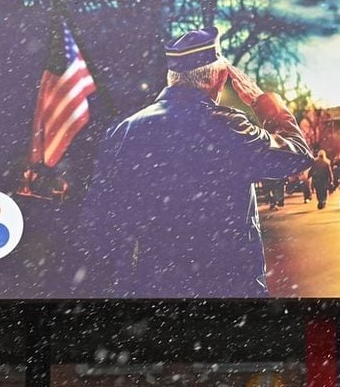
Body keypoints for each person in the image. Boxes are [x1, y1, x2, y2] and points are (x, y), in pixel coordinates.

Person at [77, 26, 313, 297]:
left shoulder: (123, 131)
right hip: (226, 289)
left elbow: (97, 222)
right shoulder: (229, 128)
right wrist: (265, 103)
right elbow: (298, 155)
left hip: (147, 291)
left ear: (171, 77)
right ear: (221, 77)